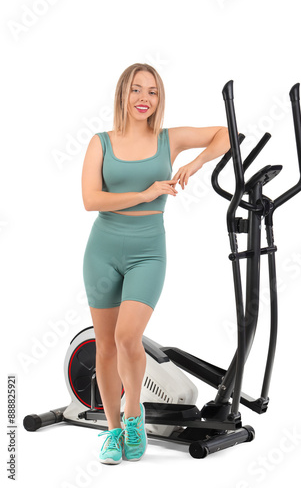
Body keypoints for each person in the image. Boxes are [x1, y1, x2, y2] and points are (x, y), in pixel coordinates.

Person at [81, 63, 231, 464]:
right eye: (136, 90)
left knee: (129, 338)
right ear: (123, 95)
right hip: (102, 251)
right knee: (107, 347)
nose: (144, 98)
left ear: (159, 99)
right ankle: (113, 432)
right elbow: (91, 200)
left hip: (149, 250)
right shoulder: (101, 142)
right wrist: (146, 192)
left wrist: (195, 163)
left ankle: (134, 415)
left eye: (152, 91)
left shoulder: (170, 139)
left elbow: (228, 134)